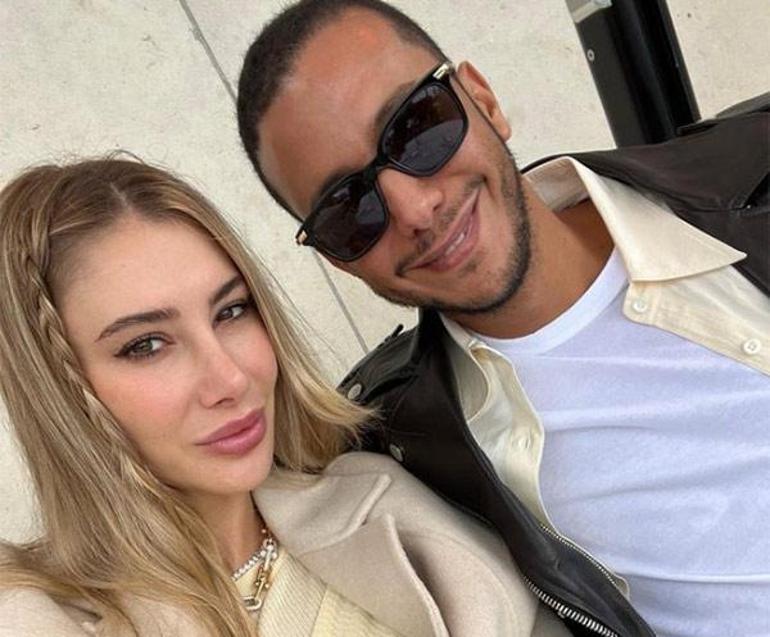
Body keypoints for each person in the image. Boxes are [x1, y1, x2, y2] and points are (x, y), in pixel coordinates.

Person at [235, 1, 770, 636]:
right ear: (335, 257)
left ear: (483, 100)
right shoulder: (406, 449)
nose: (414, 209)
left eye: (415, 129)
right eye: (348, 208)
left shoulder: (755, 169)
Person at [0, 157, 572, 637]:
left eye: (231, 311)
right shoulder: (34, 617)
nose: (230, 379)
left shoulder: (393, 503)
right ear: (57, 390)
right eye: (147, 345)